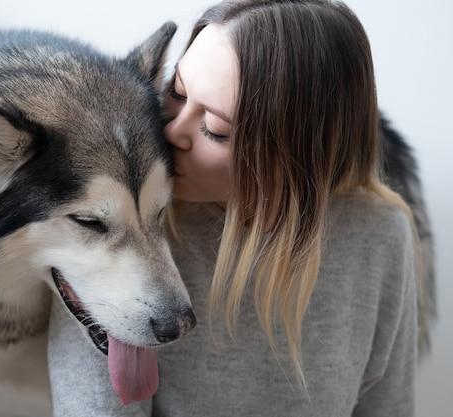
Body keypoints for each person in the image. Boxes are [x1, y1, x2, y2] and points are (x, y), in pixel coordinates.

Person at [48, 0, 418, 415]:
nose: (170, 131)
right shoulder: (122, 222)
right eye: (177, 92)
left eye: (215, 129)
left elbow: (389, 406)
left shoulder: (380, 233)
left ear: (297, 155)